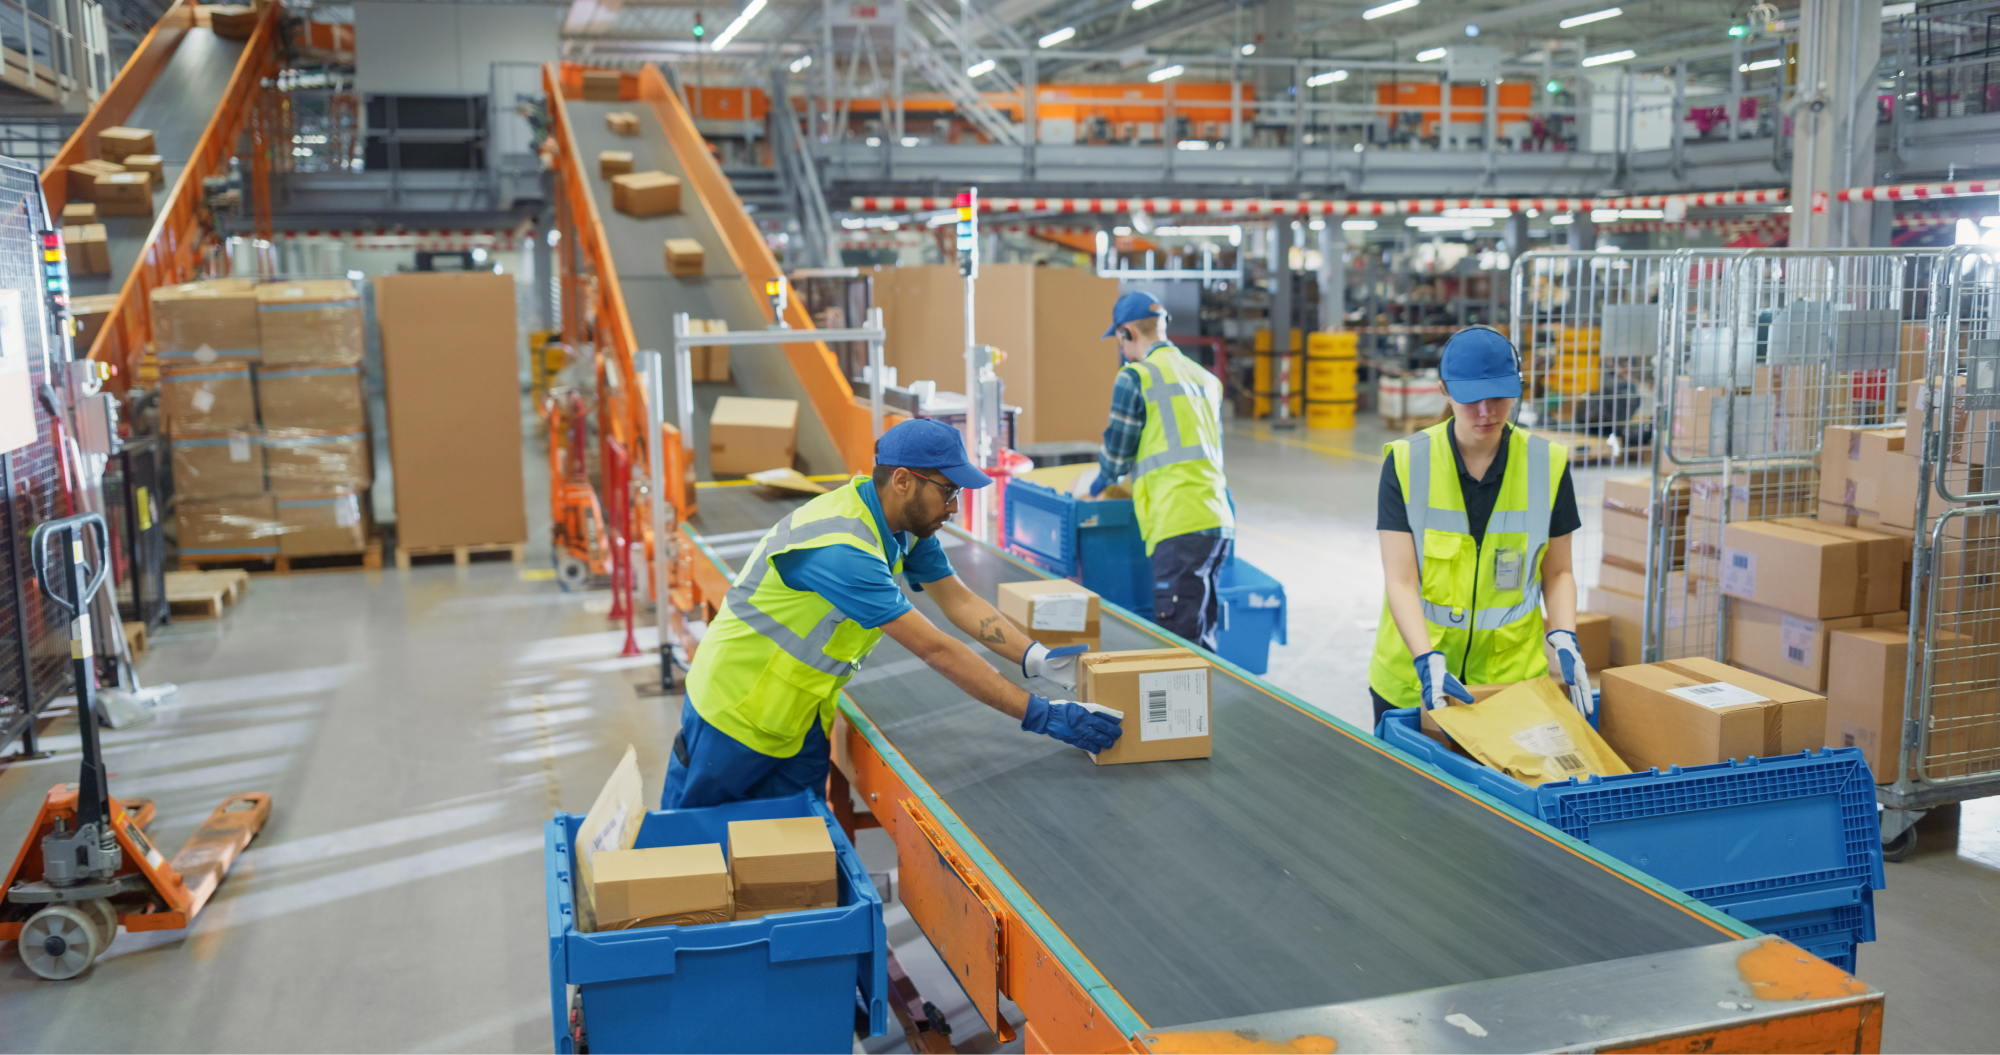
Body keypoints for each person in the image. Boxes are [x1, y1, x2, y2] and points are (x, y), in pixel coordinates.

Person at [663, 417, 1122, 809]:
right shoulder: (843, 548)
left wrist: (1036, 657)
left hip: (800, 714)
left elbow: (958, 600)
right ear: (902, 480)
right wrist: (1039, 713)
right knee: (695, 848)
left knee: (796, 854)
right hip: (734, 715)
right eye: (947, 491)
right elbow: (936, 649)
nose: (954, 507)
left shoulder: (904, 525)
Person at [1369, 326, 1592, 722]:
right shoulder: (1406, 463)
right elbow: (1400, 580)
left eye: (1499, 396)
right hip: (1412, 680)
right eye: (1472, 398)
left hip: (1510, 682)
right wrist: (1425, 660)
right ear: (1444, 390)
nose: (1487, 411)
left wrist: (1564, 636)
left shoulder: (1547, 465)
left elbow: (1558, 571)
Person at [1084, 291, 1234, 649]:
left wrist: (1098, 483)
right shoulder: (1205, 378)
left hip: (1177, 522)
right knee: (1201, 640)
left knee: (1179, 646)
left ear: (1128, 332)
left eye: (1119, 339)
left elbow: (1116, 458)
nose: (1121, 348)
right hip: (1217, 520)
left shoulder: (1136, 377)